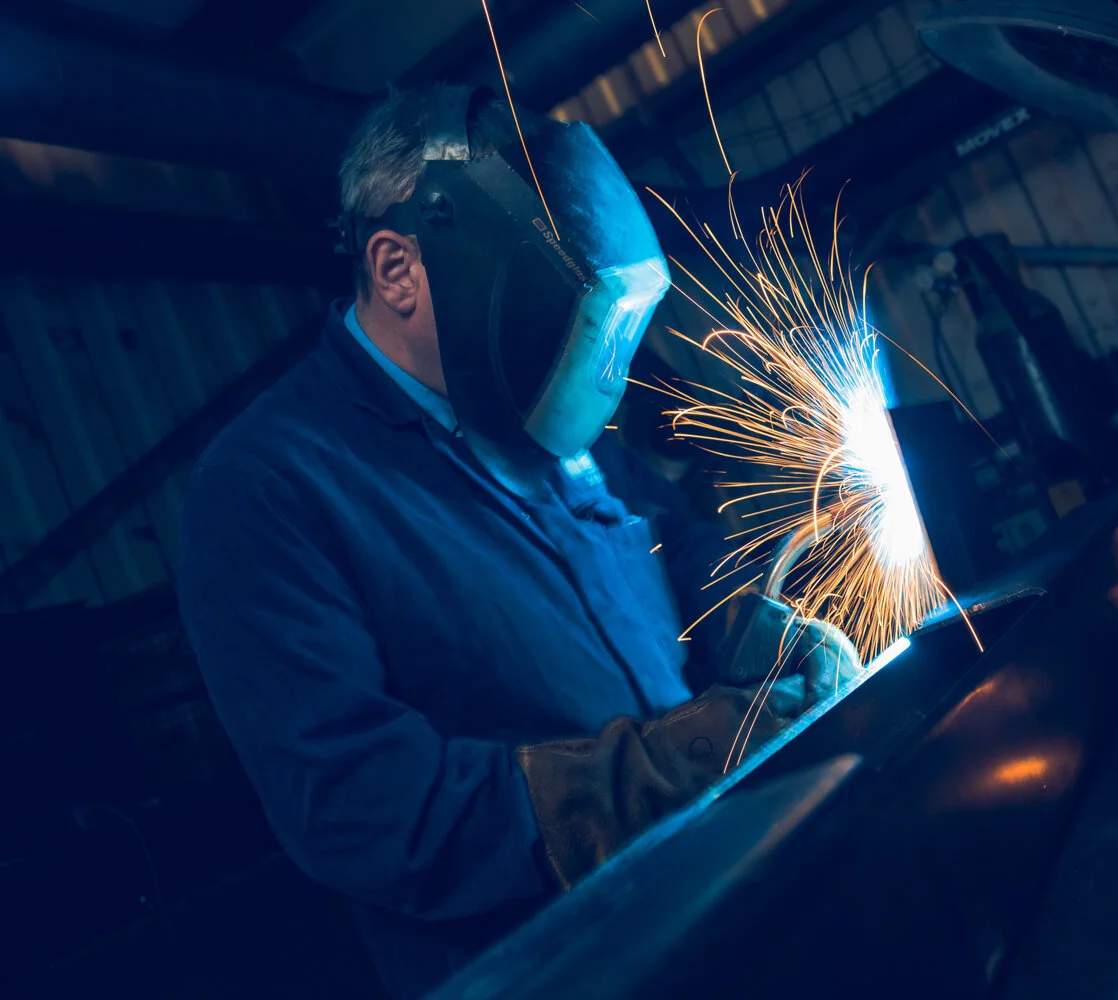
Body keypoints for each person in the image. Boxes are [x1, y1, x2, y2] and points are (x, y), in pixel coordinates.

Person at [175, 84, 860, 999]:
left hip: (717, 905)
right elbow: (362, 811)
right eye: (550, 307)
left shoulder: (532, 410)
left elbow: (668, 543)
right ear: (398, 270)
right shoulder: (269, 488)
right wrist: (661, 771)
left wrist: (750, 625)